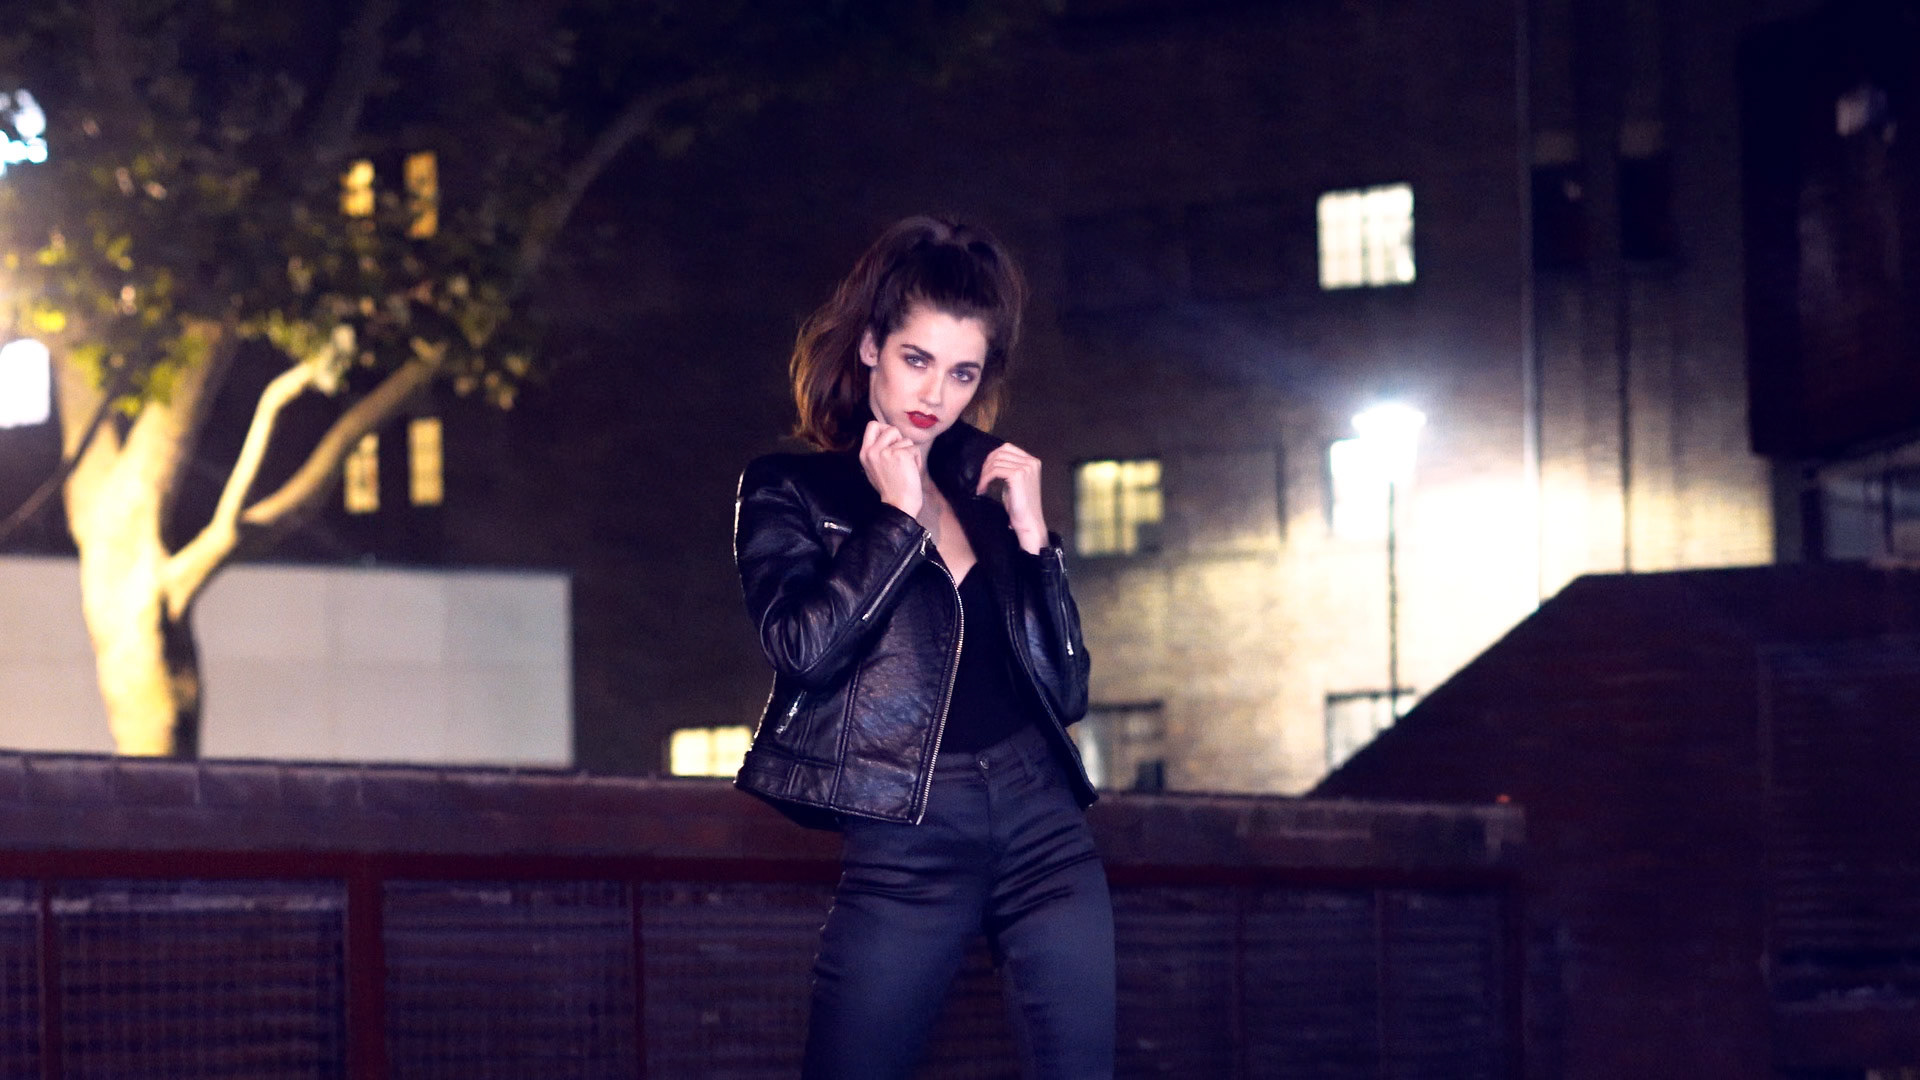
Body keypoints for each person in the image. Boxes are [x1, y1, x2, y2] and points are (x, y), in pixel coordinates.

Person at [732, 215, 1115, 1079]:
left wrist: (1033, 540)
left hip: (1041, 823)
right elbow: (801, 649)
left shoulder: (985, 491)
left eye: (961, 372)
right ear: (871, 346)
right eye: (916, 359)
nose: (934, 393)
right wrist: (898, 519)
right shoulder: (791, 489)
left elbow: (1066, 692)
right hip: (907, 834)